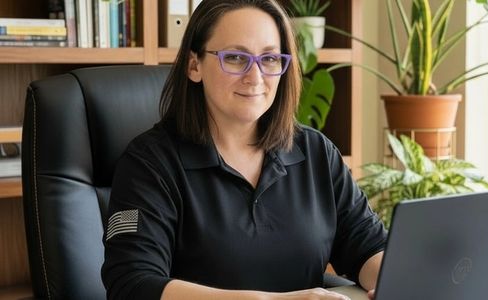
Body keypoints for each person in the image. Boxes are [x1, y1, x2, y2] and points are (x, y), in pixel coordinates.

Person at [101, 0, 386, 299]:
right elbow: (131, 284)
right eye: (236, 58)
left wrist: (398, 279)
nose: (256, 77)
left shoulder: (316, 151)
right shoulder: (150, 162)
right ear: (194, 65)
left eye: (270, 59)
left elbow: (368, 247)